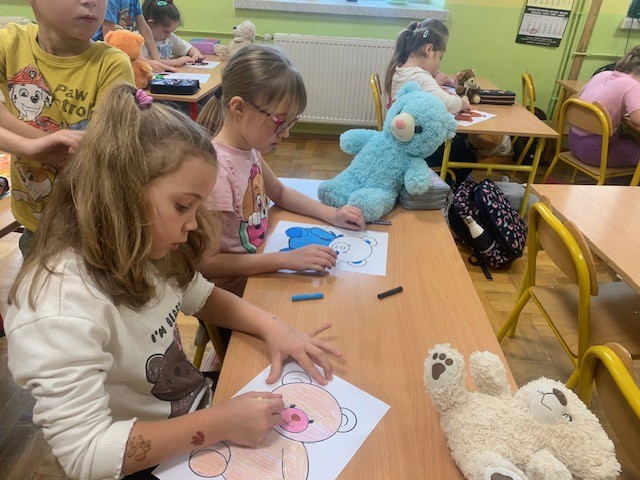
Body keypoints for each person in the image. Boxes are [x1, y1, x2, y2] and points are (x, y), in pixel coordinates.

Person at [5, 82, 341, 480]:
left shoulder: (145, 248)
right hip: (140, 459)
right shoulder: (59, 308)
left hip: (192, 411)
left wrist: (273, 326)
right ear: (121, 194)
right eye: (183, 206)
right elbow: (86, 454)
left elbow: (203, 296)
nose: (193, 224)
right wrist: (220, 423)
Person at [197, 44, 366, 297]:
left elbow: (280, 193)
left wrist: (332, 215)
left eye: (291, 123)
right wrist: (287, 259)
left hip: (260, 264)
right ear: (239, 108)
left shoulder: (248, 148)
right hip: (235, 289)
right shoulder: (218, 172)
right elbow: (208, 264)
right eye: (279, 122)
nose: (286, 133)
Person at [0, 0, 134, 255]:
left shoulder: (112, 63)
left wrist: (29, 142)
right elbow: (63, 152)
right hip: (35, 226)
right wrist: (30, 146)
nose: (91, 2)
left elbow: (90, 159)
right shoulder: (10, 42)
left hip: (93, 232)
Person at [384, 18, 477, 186]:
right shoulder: (419, 76)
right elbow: (449, 104)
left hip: (403, 139)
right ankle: (443, 187)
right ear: (429, 50)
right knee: (469, 157)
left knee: (460, 142)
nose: (438, 65)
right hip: (415, 146)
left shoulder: (401, 69)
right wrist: (464, 101)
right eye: (439, 58)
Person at [569, 45, 640, 168]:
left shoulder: (603, 74)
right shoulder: (633, 85)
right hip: (596, 152)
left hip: (573, 143)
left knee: (630, 138)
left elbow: (579, 97)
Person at [93, 0, 173, 72]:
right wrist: (146, 62)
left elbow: (144, 28)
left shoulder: (134, 1)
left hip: (123, 55)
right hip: (102, 57)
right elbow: (111, 41)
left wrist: (158, 61)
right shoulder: (111, 2)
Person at [141, 0, 204, 67]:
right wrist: (175, 62)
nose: (168, 35)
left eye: (171, 32)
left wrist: (196, 54)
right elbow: (144, 61)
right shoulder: (139, 39)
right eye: (166, 31)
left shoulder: (170, 37)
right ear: (150, 24)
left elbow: (188, 48)